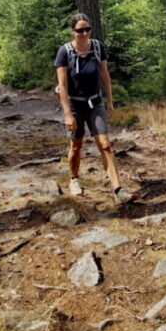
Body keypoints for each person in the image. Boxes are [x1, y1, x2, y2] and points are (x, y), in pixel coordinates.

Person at [55, 13, 135, 205]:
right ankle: (74, 179)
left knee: (105, 144)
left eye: (87, 29)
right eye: (79, 30)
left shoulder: (98, 47)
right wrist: (67, 113)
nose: (84, 33)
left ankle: (118, 190)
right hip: (74, 105)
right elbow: (62, 86)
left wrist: (110, 101)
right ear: (72, 31)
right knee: (76, 145)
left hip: (95, 103)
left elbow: (104, 74)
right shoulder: (64, 52)